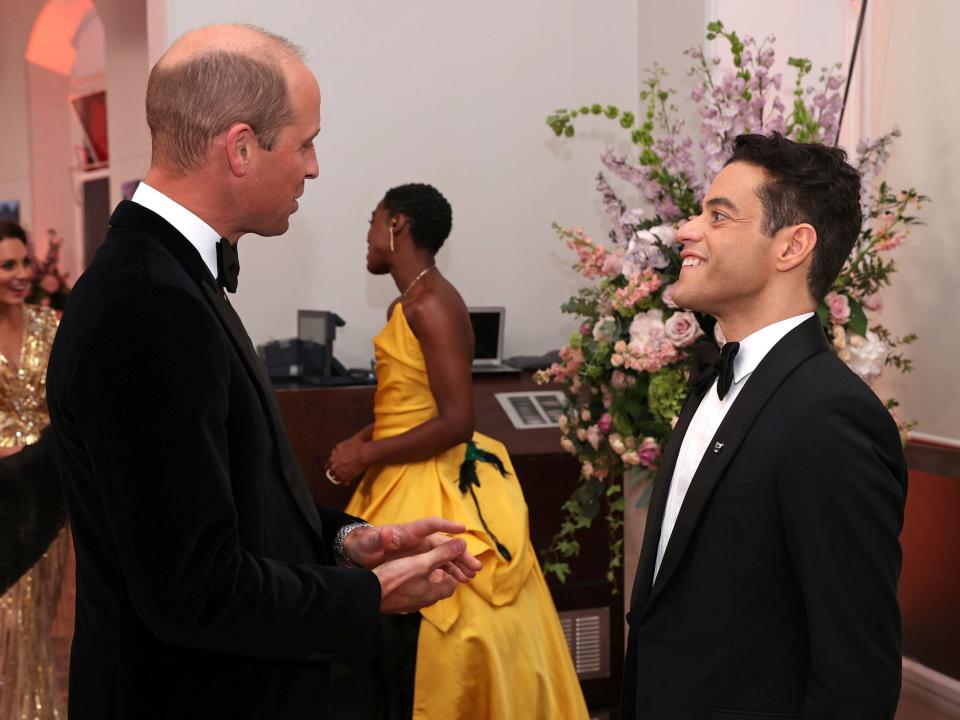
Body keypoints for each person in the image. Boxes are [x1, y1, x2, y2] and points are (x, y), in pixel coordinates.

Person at [45, 25, 480, 720]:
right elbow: (194, 588)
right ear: (240, 148)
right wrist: (375, 595)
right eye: (304, 142)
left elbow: (219, 504)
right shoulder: (150, 305)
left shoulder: (165, 277)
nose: (314, 167)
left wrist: (343, 540)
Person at [620, 133, 907, 719]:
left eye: (718, 215)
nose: (684, 230)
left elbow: (855, 669)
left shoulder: (831, 416)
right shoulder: (714, 377)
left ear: (792, 246)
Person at [326, 183, 589, 720]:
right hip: (398, 472)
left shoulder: (433, 303)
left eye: (373, 221)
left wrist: (368, 455)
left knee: (435, 627)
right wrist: (365, 437)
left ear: (397, 225)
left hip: (437, 479)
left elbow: (456, 421)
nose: (368, 235)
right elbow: (410, 400)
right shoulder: (407, 303)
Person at [0, 220, 68, 720]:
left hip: (46, 491)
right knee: (7, 618)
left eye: (25, 262)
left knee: (36, 617)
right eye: (8, 265)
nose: (21, 274)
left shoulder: (54, 327)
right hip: (0, 494)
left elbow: (71, 405)